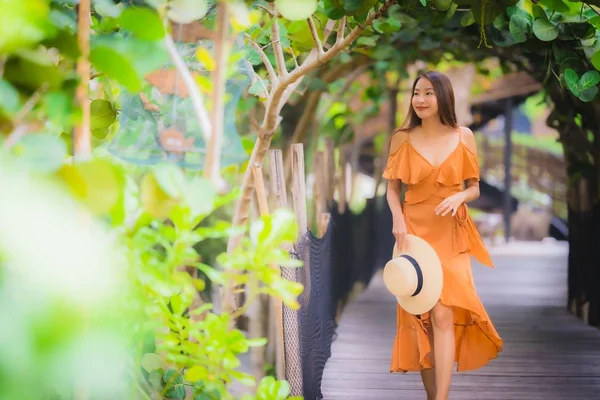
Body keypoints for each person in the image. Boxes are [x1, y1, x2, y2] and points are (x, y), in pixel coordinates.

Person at [383, 70, 503, 400]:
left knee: (443, 313)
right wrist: (398, 221)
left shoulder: (463, 135)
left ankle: (442, 398)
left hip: (451, 232)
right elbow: (392, 191)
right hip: (414, 233)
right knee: (421, 313)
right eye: (416, 93)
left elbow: (475, 188)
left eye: (428, 93)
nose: (419, 100)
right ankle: (431, 395)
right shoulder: (402, 137)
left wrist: (459, 196)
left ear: (443, 97)